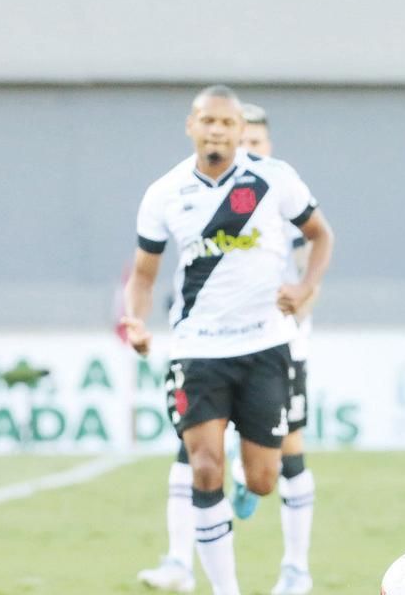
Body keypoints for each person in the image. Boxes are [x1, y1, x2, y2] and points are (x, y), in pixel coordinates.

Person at [124, 86, 334, 595]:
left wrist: (305, 288)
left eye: (226, 122)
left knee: (265, 478)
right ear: (191, 126)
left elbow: (321, 234)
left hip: (265, 348)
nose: (216, 130)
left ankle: (248, 482)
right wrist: (135, 319)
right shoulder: (164, 193)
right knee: (203, 466)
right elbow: (144, 275)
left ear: (242, 131)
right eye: (207, 121)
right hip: (198, 350)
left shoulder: (273, 179)